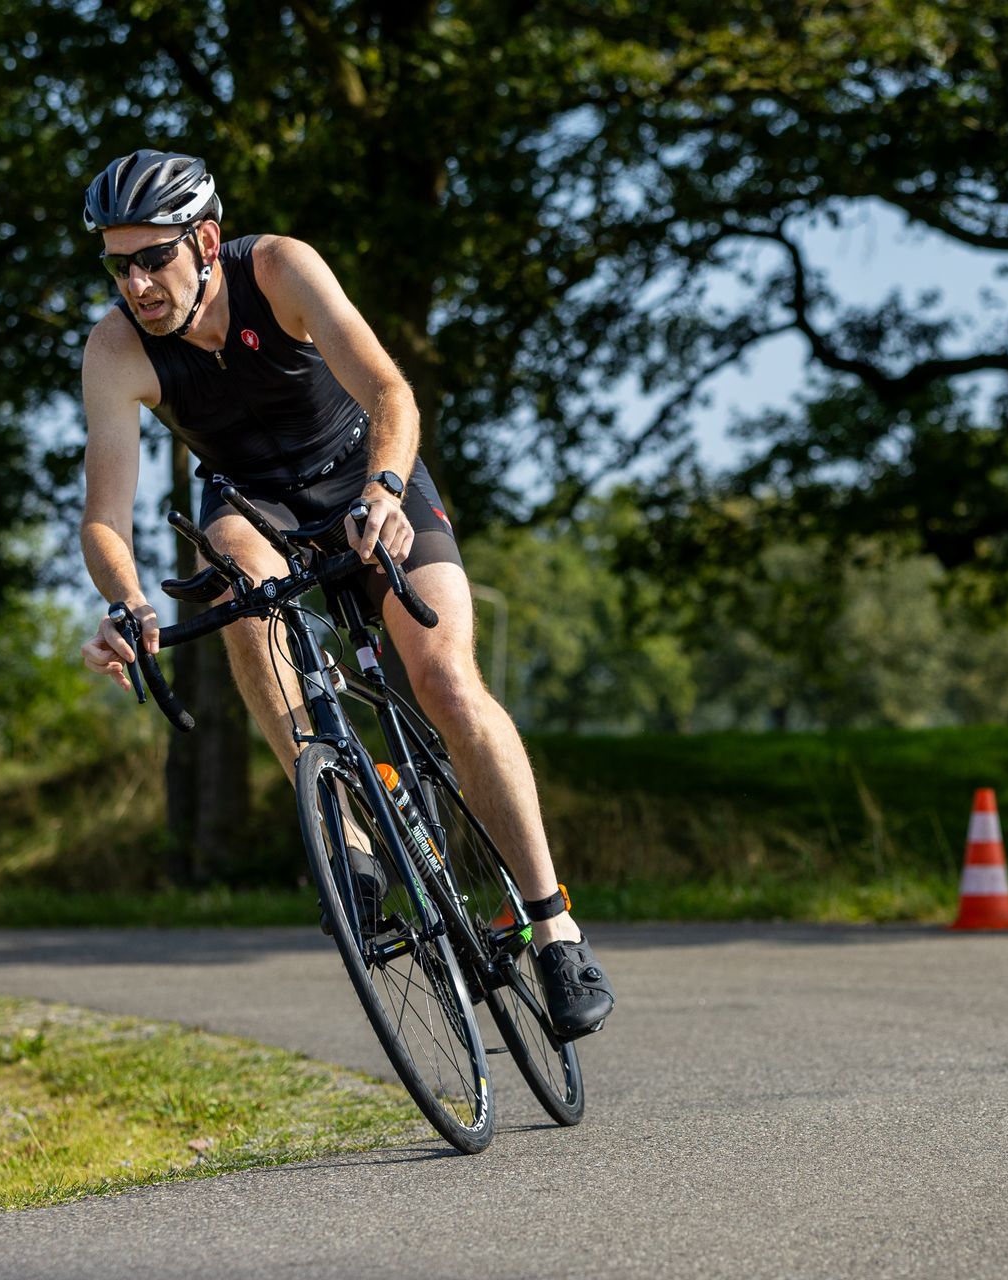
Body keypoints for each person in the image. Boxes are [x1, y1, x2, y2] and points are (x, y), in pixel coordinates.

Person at [75, 148, 613, 1038]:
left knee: (445, 685)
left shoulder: (277, 268)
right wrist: (129, 602)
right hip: (257, 502)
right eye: (118, 263)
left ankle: (553, 926)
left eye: (154, 257)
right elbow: (104, 514)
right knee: (236, 568)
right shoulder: (116, 347)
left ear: (205, 240)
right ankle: (346, 835)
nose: (137, 283)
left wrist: (386, 491)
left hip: (367, 472)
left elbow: (391, 391)